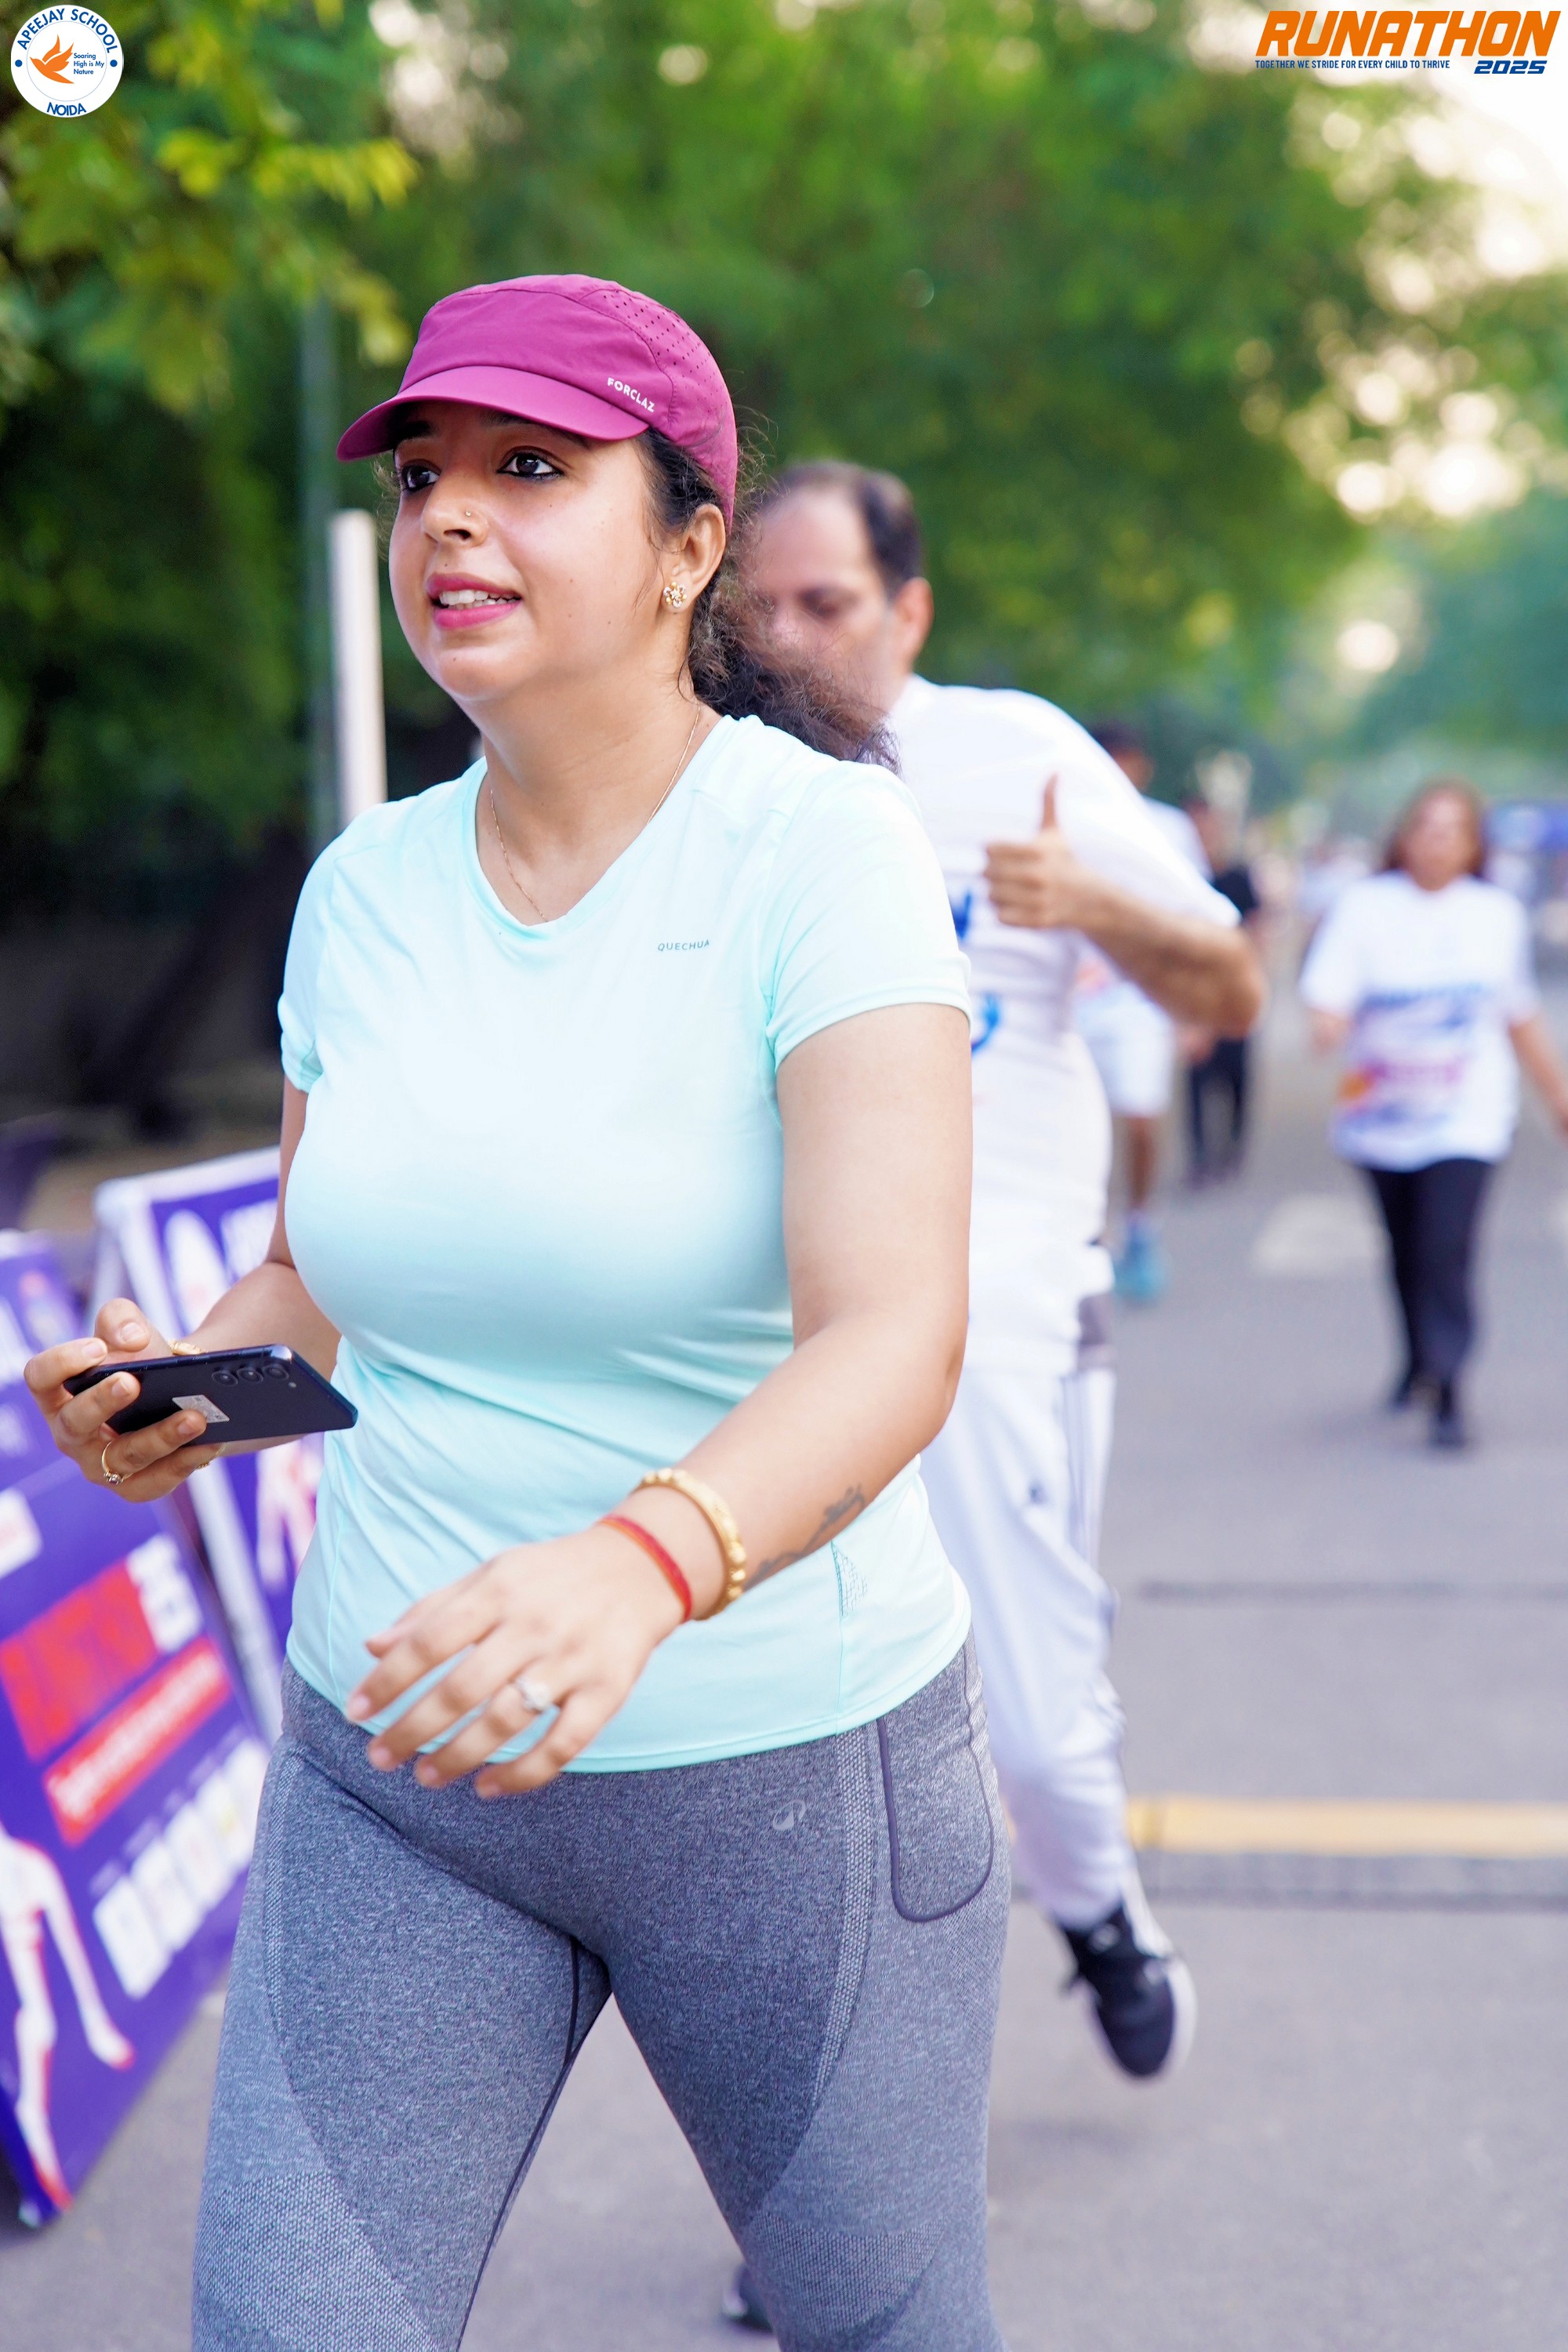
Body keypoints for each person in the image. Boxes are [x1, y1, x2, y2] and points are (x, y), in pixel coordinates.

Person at [26, 277, 1012, 2352]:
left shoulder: (819, 854)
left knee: (883, 2331)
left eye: (532, 469)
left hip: (782, 1776)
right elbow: (320, 1271)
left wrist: (640, 1567)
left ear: (688, 546)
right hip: (395, 1776)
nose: (451, 517)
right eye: (422, 478)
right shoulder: (362, 892)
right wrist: (186, 1384)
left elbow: (891, 1336)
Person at [747, 464, 1261, 2090]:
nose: (786, 639)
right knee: (796, 1738)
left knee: (1023, 1719)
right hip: (766, 1310)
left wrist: (1093, 900)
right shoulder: (713, 772)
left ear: (909, 610)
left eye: (825, 604)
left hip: (993, 1299)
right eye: (758, 607)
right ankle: (842, 2121)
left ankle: (1098, 1910)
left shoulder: (1011, 757)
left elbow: (1230, 989)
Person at [1301, 778, 1568, 1450]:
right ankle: (1418, 1356)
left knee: (1447, 1246)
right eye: (1427, 827)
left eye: (1454, 830)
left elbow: (1518, 1013)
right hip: (1382, 1118)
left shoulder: (1495, 915)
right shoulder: (1364, 907)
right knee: (1405, 1248)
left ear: (1474, 845)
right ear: (1404, 836)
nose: (1438, 842)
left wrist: (1557, 1093)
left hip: (1467, 1117)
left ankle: (1449, 1386)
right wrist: (1328, 1024)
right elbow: (1328, 996)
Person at [1070, 723, 1210, 1301]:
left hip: (1140, 1004)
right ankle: (1086, 1232)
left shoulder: (1169, 829)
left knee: (1141, 1118)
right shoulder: (1062, 818)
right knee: (1077, 1124)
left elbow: (1197, 921)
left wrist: (1193, 1012)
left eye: (1124, 760)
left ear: (1140, 767)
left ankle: (1141, 1224)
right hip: (1072, 1002)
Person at [1181, 797, 1264, 1185]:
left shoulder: (1237, 876)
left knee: (1235, 1074)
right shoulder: (1183, 875)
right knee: (1197, 1076)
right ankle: (1200, 1156)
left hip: (1231, 988)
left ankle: (1232, 1147)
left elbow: (1257, 930)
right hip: (1194, 992)